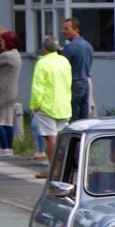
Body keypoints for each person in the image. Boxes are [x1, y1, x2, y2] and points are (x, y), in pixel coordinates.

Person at [29, 35, 72, 176]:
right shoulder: (64, 61)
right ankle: (63, 167)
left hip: (47, 105)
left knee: (51, 137)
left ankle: (54, 169)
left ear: (44, 47)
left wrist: (35, 105)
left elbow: (38, 86)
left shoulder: (42, 63)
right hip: (64, 104)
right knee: (61, 138)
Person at [61, 18, 94, 121]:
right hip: (85, 83)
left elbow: (62, 66)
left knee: (73, 118)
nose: (63, 31)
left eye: (66, 29)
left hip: (74, 83)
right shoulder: (88, 45)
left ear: (75, 30)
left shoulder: (70, 47)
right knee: (84, 119)